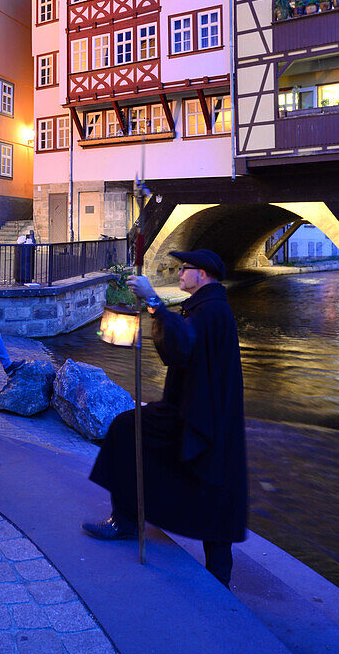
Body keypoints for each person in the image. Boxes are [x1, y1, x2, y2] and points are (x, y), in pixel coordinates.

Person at [83, 249, 247, 588]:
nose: (180, 273)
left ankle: (218, 575)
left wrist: (154, 302)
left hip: (199, 415)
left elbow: (183, 345)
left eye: (184, 269)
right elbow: (181, 350)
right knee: (132, 432)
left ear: (202, 274)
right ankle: (129, 519)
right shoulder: (208, 306)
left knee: (209, 485)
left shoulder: (212, 310)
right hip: (196, 409)